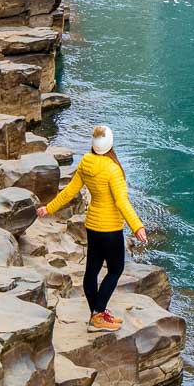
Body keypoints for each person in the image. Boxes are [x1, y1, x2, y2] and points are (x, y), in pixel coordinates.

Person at [36, 124, 146, 331]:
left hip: (93, 227)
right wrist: (137, 226)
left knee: (92, 271)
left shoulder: (86, 162)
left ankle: (97, 314)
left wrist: (48, 208)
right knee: (115, 270)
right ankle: (98, 315)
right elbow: (122, 202)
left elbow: (69, 192)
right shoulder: (113, 170)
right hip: (111, 229)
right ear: (111, 144)